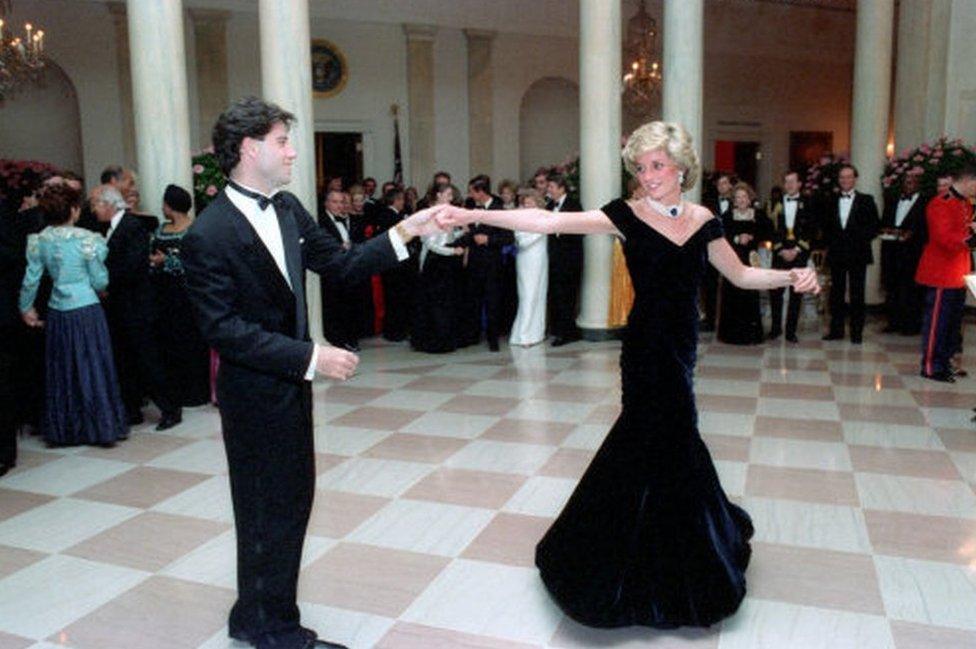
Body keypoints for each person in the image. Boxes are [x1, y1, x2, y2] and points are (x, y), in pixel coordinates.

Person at [434, 120, 818, 630]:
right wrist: (467, 212)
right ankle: (627, 557)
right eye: (641, 167)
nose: (648, 175)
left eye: (657, 165)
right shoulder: (625, 215)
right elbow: (550, 224)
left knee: (673, 439)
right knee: (656, 437)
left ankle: (683, 545)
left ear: (681, 168)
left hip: (682, 348)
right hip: (645, 348)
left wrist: (792, 275)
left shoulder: (704, 220)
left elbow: (742, 275)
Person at [180, 96, 437, 649]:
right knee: (267, 507)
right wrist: (310, 357)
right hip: (253, 393)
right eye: (282, 141)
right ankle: (274, 630)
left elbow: (342, 265)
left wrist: (406, 231)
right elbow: (222, 329)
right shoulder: (209, 234)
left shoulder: (290, 207)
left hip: (288, 392)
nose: (294, 151)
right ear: (249, 149)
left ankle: (256, 614)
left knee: (287, 503)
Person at [18, 183, 127, 447]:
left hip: (58, 310)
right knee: (93, 367)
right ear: (75, 210)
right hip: (87, 309)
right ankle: (100, 427)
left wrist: (26, 308)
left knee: (64, 369)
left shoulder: (39, 240)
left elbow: (31, 279)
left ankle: (67, 428)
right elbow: (100, 280)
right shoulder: (88, 240)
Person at [92, 184, 182, 430]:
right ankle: (132, 410)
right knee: (126, 359)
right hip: (120, 307)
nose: (93, 210)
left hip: (137, 306)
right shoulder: (107, 228)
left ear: (109, 205)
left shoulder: (133, 227)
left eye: (96, 204)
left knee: (148, 358)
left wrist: (104, 282)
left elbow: (133, 266)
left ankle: (170, 408)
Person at [149, 184, 211, 407]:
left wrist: (168, 261)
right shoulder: (160, 230)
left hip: (188, 295)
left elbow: (198, 263)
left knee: (191, 341)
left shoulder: (195, 230)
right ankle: (176, 391)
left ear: (169, 205)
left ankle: (196, 392)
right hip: (163, 295)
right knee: (169, 342)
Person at [915, 164, 976, 382]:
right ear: (969, 181)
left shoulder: (967, 203)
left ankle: (946, 361)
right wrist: (971, 239)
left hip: (959, 271)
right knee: (937, 323)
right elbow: (943, 238)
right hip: (941, 272)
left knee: (952, 324)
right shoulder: (941, 203)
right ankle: (931, 366)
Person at [821, 164, 880, 344]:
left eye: (849, 177)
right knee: (836, 294)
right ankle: (836, 331)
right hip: (837, 253)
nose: (845, 180)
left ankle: (856, 333)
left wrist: (857, 240)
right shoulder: (830, 200)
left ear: (855, 179)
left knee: (857, 294)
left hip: (858, 254)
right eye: (842, 177)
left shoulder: (867, 200)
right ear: (838, 180)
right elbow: (825, 226)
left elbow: (874, 227)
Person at [458, 174, 513, 351]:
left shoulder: (499, 210)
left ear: (481, 192)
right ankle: (471, 335)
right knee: (472, 300)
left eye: (472, 191)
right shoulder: (473, 208)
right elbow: (469, 234)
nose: (470, 195)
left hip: (492, 264)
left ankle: (493, 339)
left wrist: (488, 239)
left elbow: (508, 237)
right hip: (474, 262)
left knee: (492, 302)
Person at [411, 183, 466, 353]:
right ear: (439, 195)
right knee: (436, 303)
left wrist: (460, 233)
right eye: (448, 195)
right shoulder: (430, 215)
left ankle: (445, 338)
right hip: (435, 263)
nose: (451, 198)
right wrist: (452, 251)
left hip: (444, 262)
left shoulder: (445, 213)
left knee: (445, 302)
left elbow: (445, 236)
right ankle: (434, 340)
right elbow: (431, 244)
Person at [718, 182, 770, 345]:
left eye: (744, 197)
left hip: (751, 259)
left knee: (750, 294)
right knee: (732, 293)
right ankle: (731, 335)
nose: (741, 200)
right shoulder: (727, 215)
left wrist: (752, 237)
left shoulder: (758, 214)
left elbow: (768, 231)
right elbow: (721, 235)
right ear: (734, 199)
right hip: (732, 259)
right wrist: (737, 238)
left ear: (749, 198)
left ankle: (751, 335)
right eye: (738, 197)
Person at [768, 170, 817, 343]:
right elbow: (770, 229)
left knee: (796, 294)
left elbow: (812, 229)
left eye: (792, 182)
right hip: (780, 254)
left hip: (799, 254)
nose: (789, 185)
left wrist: (796, 250)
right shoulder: (774, 203)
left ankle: (791, 331)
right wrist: (780, 249)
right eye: (786, 182)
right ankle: (775, 328)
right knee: (775, 292)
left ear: (799, 184)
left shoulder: (809, 203)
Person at [880, 172, 926, 336]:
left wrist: (910, 234)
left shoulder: (924, 203)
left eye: (912, 182)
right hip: (892, 251)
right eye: (906, 181)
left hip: (913, 253)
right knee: (893, 287)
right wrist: (888, 230)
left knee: (911, 289)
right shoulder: (892, 200)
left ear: (918, 184)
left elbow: (925, 229)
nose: (909, 184)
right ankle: (893, 322)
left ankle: (911, 325)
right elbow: (884, 222)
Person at [317, 189, 360, 351]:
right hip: (330, 270)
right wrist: (338, 247)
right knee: (332, 306)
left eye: (341, 202)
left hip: (346, 269)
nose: (339, 205)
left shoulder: (346, 220)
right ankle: (336, 340)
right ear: (326, 203)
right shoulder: (321, 221)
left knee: (346, 305)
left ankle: (347, 338)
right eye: (334, 202)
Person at [546, 172, 584, 346]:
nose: (549, 190)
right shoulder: (548, 206)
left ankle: (566, 332)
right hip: (554, 259)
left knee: (567, 295)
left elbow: (581, 230)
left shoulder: (574, 205)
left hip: (570, 259)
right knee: (556, 295)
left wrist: (560, 229)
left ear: (562, 188)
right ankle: (560, 330)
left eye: (552, 187)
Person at [509, 188, 548, 346]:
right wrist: (536, 232)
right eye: (525, 201)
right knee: (528, 295)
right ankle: (522, 335)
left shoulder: (544, 216)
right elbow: (521, 240)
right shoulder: (520, 218)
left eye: (531, 200)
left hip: (540, 258)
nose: (528, 203)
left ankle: (536, 333)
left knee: (539, 294)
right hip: (526, 259)